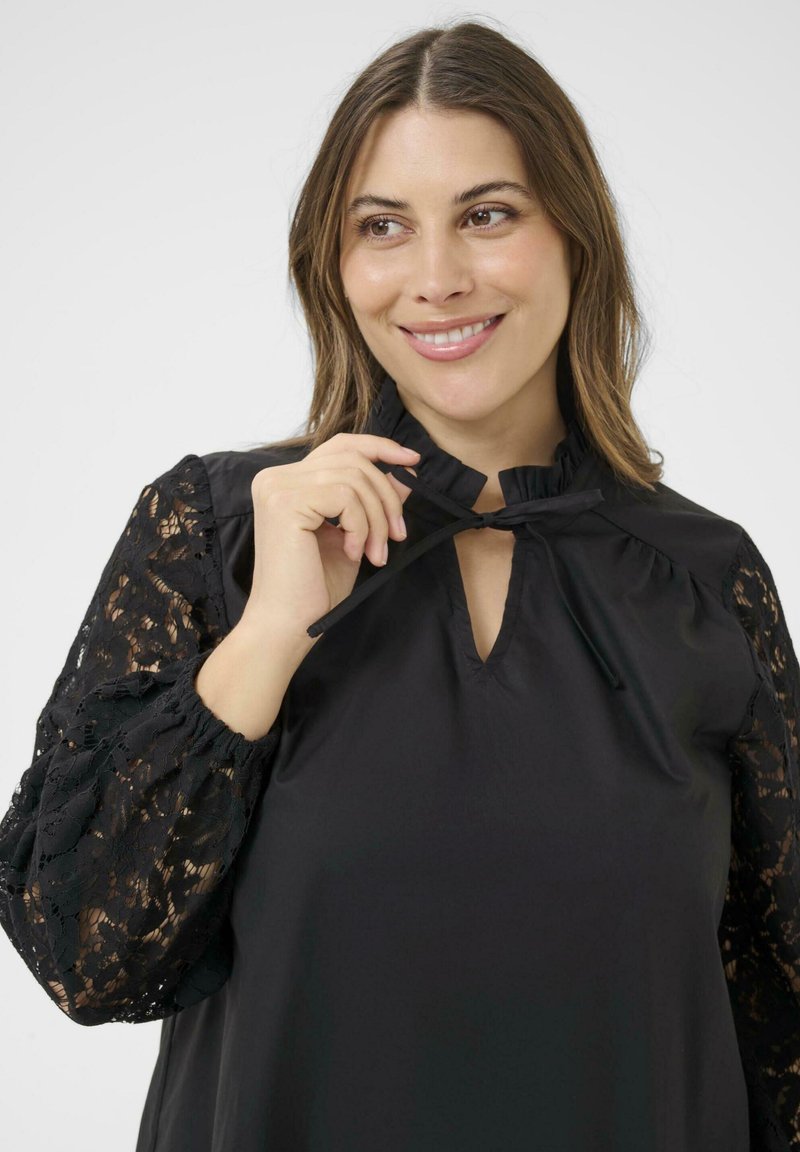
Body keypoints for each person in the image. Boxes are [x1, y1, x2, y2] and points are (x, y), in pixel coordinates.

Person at [0, 17, 797, 1152]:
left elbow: (780, 1027)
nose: (436, 280)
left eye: (487, 214)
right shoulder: (213, 531)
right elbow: (83, 957)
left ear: (574, 236)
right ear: (333, 264)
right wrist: (269, 634)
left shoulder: (705, 580)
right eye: (383, 226)